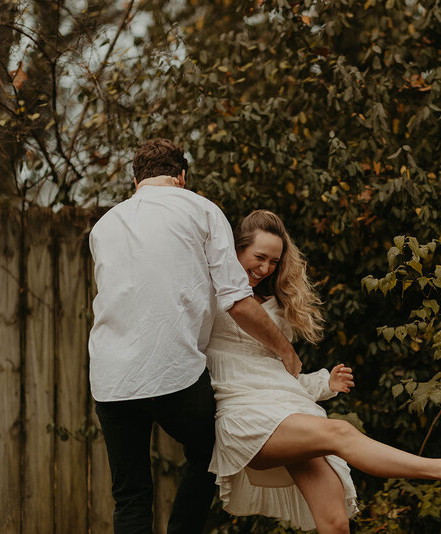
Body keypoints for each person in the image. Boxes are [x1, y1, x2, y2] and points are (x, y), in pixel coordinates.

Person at [206, 210, 441, 533]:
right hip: (246, 415)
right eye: (259, 257)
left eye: (274, 261)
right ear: (237, 249)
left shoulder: (276, 309)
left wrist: (323, 383)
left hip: (287, 408)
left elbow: (280, 376)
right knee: (341, 433)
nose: (265, 269)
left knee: (335, 522)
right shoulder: (214, 294)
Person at [88, 139, 303, 534]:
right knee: (209, 453)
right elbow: (237, 300)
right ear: (181, 176)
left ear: (136, 180)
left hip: (110, 379)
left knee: (130, 495)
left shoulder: (104, 226)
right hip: (175, 373)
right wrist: (285, 350)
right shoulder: (202, 209)